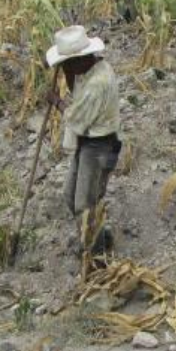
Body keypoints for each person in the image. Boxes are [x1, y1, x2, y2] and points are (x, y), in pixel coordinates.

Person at [45, 25, 121, 263]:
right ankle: (100, 237)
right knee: (70, 196)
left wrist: (56, 102)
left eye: (69, 64)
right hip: (87, 142)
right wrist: (66, 69)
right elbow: (76, 91)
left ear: (81, 59)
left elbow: (76, 118)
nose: (67, 69)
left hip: (100, 145)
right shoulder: (87, 69)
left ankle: (97, 259)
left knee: (85, 205)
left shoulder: (98, 82)